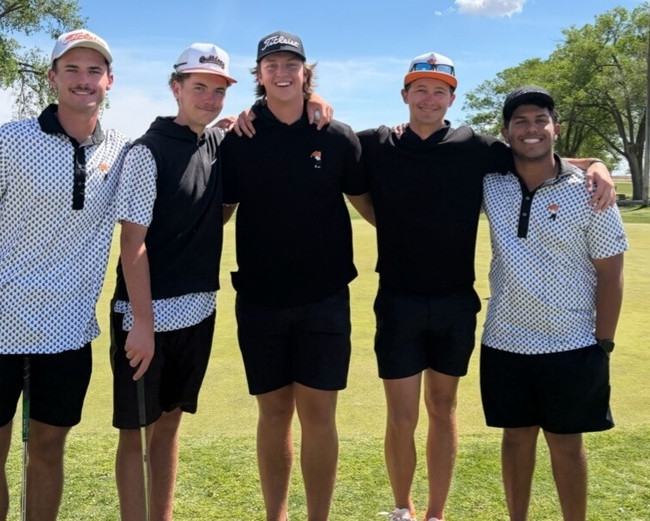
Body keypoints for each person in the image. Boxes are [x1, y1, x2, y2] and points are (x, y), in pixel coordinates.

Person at [356, 53, 616, 521]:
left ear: (452, 98)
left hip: (457, 301)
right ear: (404, 95)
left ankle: (436, 513)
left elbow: (539, 152)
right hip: (397, 299)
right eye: (420, 88)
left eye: (439, 90)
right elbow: (334, 160)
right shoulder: (376, 143)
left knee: (443, 408)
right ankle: (402, 509)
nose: (429, 98)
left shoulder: (476, 146)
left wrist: (596, 163)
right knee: (400, 415)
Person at [0, 29, 145, 520]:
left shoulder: (124, 151)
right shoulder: (7, 141)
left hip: (67, 333)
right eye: (72, 70)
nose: (83, 80)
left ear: (109, 81)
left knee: (47, 453)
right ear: (52, 77)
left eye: (94, 71)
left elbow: (189, 132)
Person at [110, 42, 333, 520]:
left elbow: (266, 112)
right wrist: (143, 323)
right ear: (176, 88)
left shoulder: (218, 141)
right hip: (144, 316)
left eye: (217, 91)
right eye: (198, 88)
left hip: (197, 313)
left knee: (167, 429)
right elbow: (133, 245)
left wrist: (309, 99)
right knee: (137, 434)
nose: (209, 99)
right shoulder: (146, 152)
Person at [220, 30, 373, 521]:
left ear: (306, 72)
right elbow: (220, 211)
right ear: (259, 75)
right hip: (260, 298)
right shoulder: (238, 138)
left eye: (292, 64)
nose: (282, 73)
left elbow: (367, 204)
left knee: (319, 416)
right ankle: (276, 516)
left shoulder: (335, 135)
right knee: (273, 414)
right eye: (272, 65)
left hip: (325, 298)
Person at [480, 86, 626, 521]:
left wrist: (603, 342)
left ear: (555, 128)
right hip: (504, 340)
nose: (531, 129)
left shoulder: (590, 190)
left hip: (573, 344)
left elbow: (611, 273)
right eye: (520, 122)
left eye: (540, 120)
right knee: (515, 440)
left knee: (566, 444)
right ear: (505, 133)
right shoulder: (490, 182)